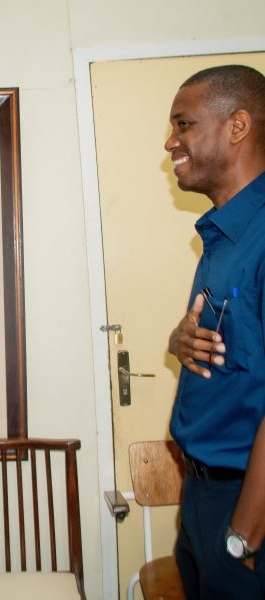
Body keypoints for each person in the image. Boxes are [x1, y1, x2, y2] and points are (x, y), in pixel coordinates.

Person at [166, 65, 265, 597]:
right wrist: (177, 341)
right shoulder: (223, 233)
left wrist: (243, 534)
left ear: (237, 126)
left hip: (247, 509)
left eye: (184, 125)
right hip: (203, 496)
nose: (170, 142)